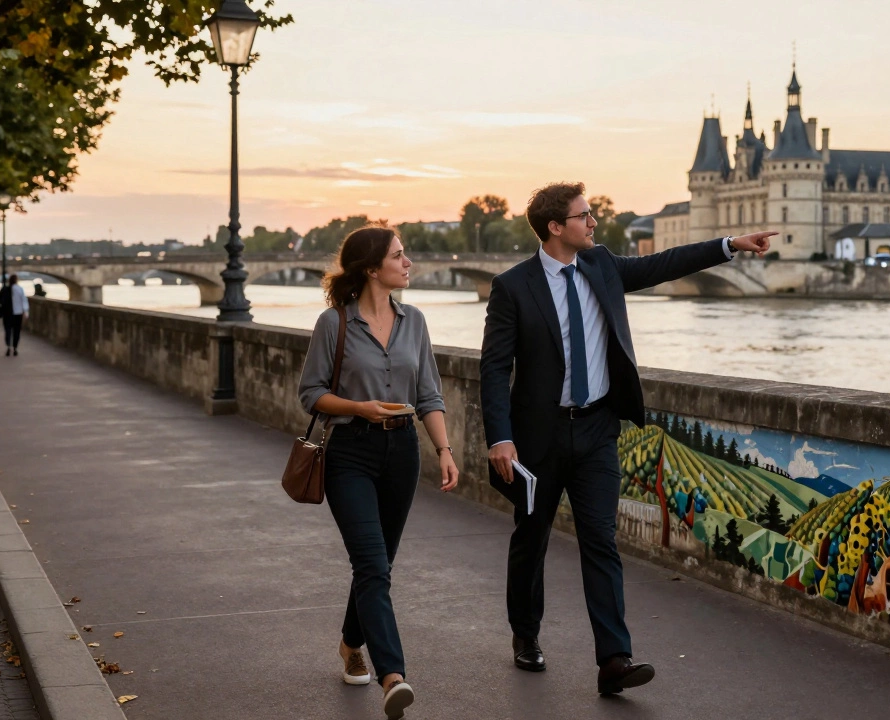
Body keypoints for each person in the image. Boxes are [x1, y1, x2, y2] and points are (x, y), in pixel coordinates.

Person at [480, 182, 773, 695]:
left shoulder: (603, 266)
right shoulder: (513, 286)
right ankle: (525, 634)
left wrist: (729, 245)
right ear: (555, 227)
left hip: (597, 429)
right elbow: (493, 368)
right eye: (584, 216)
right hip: (538, 437)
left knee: (601, 540)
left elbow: (664, 263)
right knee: (531, 538)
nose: (594, 222)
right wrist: (500, 439)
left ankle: (615, 659)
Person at [298, 225, 459, 720]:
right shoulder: (333, 323)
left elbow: (428, 393)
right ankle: (393, 676)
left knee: (378, 564)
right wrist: (358, 408)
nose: (408, 262)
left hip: (402, 452)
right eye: (398, 255)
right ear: (372, 268)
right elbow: (311, 393)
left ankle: (351, 643)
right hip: (350, 452)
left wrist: (444, 450)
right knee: (371, 564)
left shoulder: (415, 321)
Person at [0, 274, 29, 356]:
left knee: (8, 330)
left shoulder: (5, 289)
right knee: (16, 331)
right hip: (18, 314)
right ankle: (15, 348)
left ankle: (8, 346)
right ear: (16, 280)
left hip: (7, 313)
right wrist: (25, 311)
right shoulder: (20, 289)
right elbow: (24, 300)